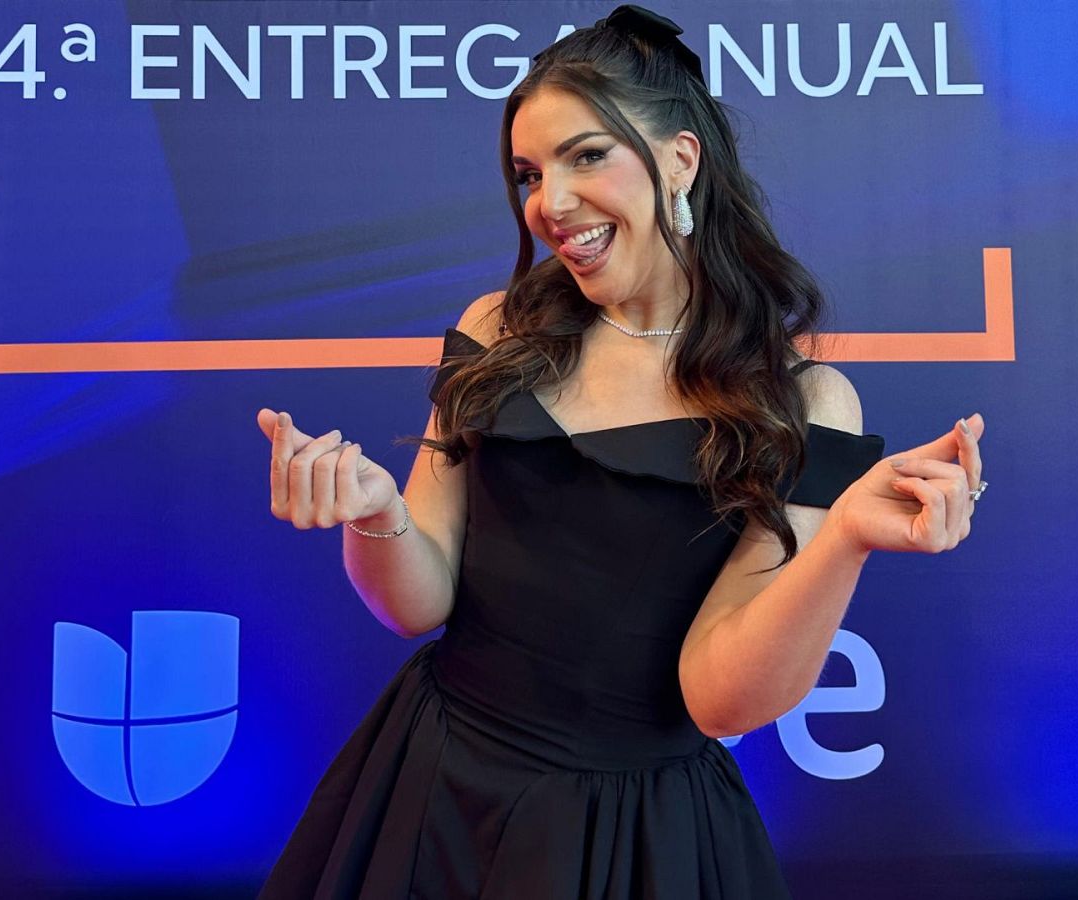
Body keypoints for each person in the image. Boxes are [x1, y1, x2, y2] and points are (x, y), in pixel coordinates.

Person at [253, 6, 986, 897]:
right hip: (434, 788)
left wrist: (844, 543)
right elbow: (418, 601)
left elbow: (720, 698)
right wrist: (376, 515)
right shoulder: (499, 328)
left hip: (635, 840)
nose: (549, 204)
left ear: (680, 160)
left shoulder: (802, 403)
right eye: (529, 172)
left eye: (586, 155)